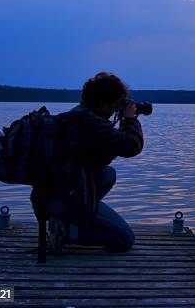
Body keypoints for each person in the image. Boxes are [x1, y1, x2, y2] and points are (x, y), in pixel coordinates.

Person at [35, 72, 144, 253]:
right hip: (60, 199)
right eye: (116, 104)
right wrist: (130, 120)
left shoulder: (76, 116)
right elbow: (131, 146)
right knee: (124, 239)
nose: (116, 109)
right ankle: (67, 232)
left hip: (49, 195)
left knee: (108, 174)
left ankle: (69, 219)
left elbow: (104, 152)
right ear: (102, 103)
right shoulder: (88, 123)